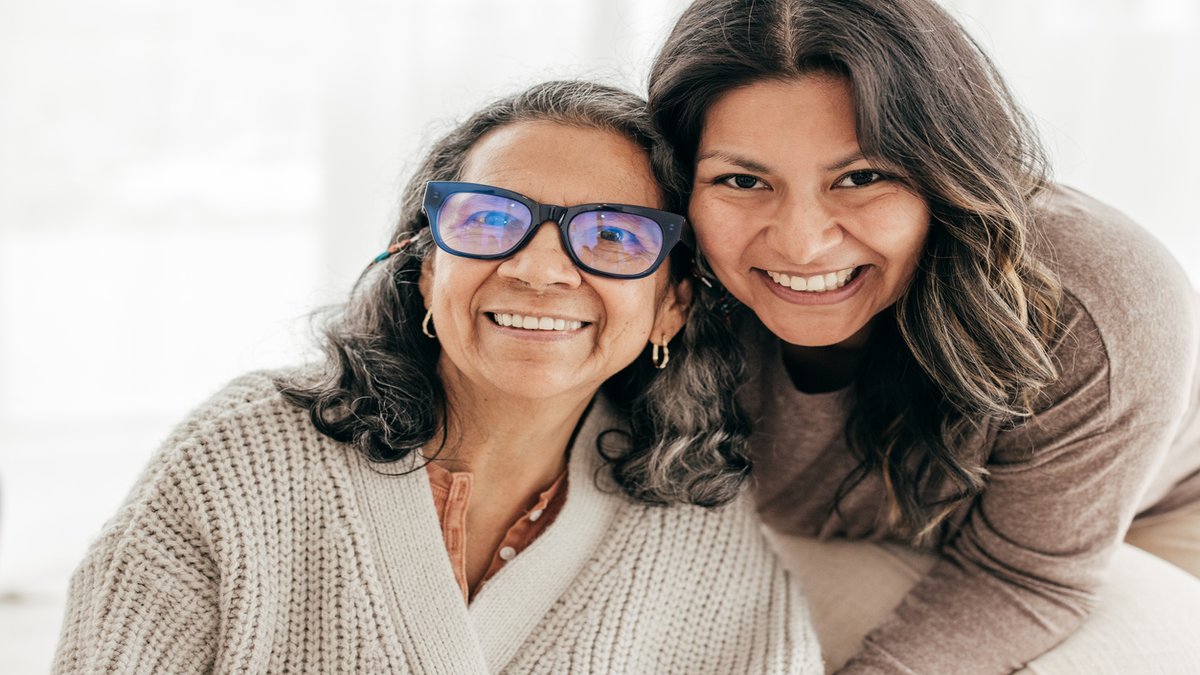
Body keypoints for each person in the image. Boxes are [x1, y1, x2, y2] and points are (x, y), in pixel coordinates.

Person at [52, 80, 821, 674]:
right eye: (489, 220)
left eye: (613, 235)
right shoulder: (239, 456)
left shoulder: (718, 527)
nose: (540, 268)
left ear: (671, 306)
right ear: (422, 269)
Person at [647, 0, 1200, 672]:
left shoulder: (1094, 296)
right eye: (741, 179)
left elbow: (1022, 577)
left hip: (1151, 514)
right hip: (862, 527)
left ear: (948, 172)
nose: (801, 242)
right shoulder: (645, 264)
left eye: (862, 177)